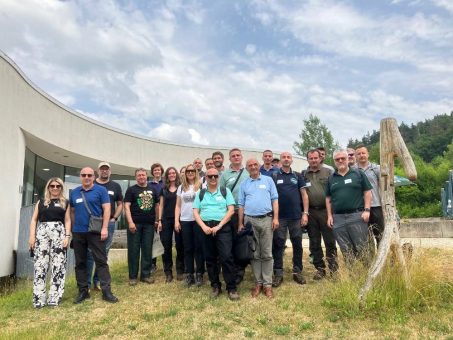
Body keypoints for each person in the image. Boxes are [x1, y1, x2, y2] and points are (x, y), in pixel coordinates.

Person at [70, 167, 118, 304]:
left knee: (101, 261)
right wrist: (74, 229)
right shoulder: (74, 192)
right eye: (84, 175)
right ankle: (83, 291)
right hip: (79, 233)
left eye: (89, 175)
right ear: (80, 176)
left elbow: (107, 209)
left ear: (93, 176)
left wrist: (104, 228)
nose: (86, 177)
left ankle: (106, 291)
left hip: (95, 232)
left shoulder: (101, 190)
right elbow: (72, 211)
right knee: (80, 263)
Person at [193, 168, 239, 300]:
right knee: (210, 258)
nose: (213, 178)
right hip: (205, 228)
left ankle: (231, 288)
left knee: (226, 257)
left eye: (215, 176)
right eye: (210, 176)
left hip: (222, 227)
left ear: (219, 177)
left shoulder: (225, 191)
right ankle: (215, 286)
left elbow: (230, 211)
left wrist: (219, 226)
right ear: (205, 178)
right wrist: (203, 227)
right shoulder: (200, 193)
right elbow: (196, 212)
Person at [238, 158, 279, 298]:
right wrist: (240, 223)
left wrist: (276, 218)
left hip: (267, 219)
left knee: (267, 253)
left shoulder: (268, 180)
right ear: (247, 168)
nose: (253, 167)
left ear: (259, 166)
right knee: (255, 254)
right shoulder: (244, 184)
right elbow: (241, 205)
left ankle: (267, 284)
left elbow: (275, 200)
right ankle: (258, 283)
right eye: (250, 165)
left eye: (255, 164)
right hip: (250, 221)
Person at [28, 177, 71, 308]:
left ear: (61, 188)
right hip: (42, 233)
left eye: (58, 186)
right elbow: (34, 220)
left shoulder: (65, 202)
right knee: (40, 264)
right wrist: (32, 236)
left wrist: (67, 236)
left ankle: (54, 297)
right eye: (52, 186)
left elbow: (68, 220)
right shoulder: (41, 202)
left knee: (58, 265)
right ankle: (39, 298)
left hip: (59, 232)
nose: (55, 188)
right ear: (48, 187)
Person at [326, 150, 372, 264]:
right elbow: (328, 198)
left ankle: (367, 276)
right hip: (338, 218)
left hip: (357, 216)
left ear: (348, 159)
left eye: (343, 158)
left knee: (362, 248)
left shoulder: (358, 173)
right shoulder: (331, 178)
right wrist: (329, 216)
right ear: (334, 161)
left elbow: (367, 192)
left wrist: (367, 210)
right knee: (346, 250)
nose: (340, 161)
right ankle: (352, 278)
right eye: (337, 159)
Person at [271, 152, 309, 287]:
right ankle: (278, 273)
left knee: (297, 244)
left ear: (291, 160)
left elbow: (304, 195)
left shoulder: (297, 176)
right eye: (284, 157)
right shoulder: (274, 176)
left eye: (288, 157)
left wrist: (305, 213)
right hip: (279, 218)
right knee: (278, 245)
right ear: (280, 160)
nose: (286, 159)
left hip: (296, 217)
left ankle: (297, 272)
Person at [86, 162, 123, 291]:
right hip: (93, 223)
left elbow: (120, 204)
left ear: (110, 171)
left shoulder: (115, 186)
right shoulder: (92, 184)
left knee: (103, 253)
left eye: (106, 169)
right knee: (90, 253)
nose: (104, 171)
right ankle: (87, 284)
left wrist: (114, 218)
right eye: (102, 169)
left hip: (109, 224)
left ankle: (97, 282)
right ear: (98, 171)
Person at [303, 149, 338, 280]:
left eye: (315, 158)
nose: (313, 160)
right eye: (311, 158)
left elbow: (335, 191)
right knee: (314, 243)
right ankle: (320, 269)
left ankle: (334, 270)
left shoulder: (329, 172)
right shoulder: (304, 174)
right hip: (311, 212)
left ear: (320, 158)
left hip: (326, 211)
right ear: (308, 160)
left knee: (330, 242)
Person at [124, 168, 159, 285]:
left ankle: (145, 275)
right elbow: (127, 207)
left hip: (149, 224)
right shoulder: (131, 190)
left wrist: (157, 220)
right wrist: (130, 222)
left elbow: (156, 206)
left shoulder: (153, 189)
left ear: (146, 176)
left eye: (143, 175)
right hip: (135, 224)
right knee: (133, 250)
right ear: (136, 177)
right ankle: (133, 276)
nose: (141, 177)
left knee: (147, 250)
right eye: (139, 175)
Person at [219, 148, 249, 284]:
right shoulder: (224, 175)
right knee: (231, 242)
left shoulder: (248, 172)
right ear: (229, 159)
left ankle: (241, 269)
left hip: (247, 212)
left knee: (243, 242)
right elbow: (221, 194)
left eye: (238, 155)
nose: (236, 157)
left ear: (241, 157)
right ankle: (233, 270)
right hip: (231, 213)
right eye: (233, 156)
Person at [175, 163, 205, 287]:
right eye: (188, 171)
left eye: (192, 171)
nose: (190, 173)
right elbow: (178, 205)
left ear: (196, 172)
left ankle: (199, 273)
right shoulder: (181, 187)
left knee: (199, 248)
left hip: (198, 220)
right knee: (187, 249)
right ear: (185, 173)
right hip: (185, 220)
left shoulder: (202, 186)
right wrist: (177, 220)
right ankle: (189, 274)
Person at [157, 167, 185, 282]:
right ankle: (168, 272)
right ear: (167, 176)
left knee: (180, 246)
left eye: (174, 173)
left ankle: (180, 270)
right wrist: (159, 220)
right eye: (170, 173)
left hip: (179, 219)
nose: (172, 175)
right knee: (166, 246)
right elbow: (161, 206)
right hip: (166, 220)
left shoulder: (182, 187)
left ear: (176, 174)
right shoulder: (163, 188)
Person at [356, 144, 384, 247]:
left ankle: (381, 259)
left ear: (368, 154)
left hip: (376, 206)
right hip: (360, 208)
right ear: (355, 156)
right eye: (359, 154)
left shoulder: (376, 169)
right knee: (365, 237)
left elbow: (384, 187)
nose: (361, 155)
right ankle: (370, 260)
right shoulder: (353, 171)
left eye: (363, 153)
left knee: (380, 234)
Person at [149, 162, 165, 274]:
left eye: (158, 170)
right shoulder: (149, 184)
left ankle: (166, 264)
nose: (157, 172)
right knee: (152, 241)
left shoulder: (166, 183)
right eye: (155, 170)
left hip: (165, 215)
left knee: (165, 240)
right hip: (153, 215)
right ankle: (152, 264)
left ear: (161, 171)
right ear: (152, 172)